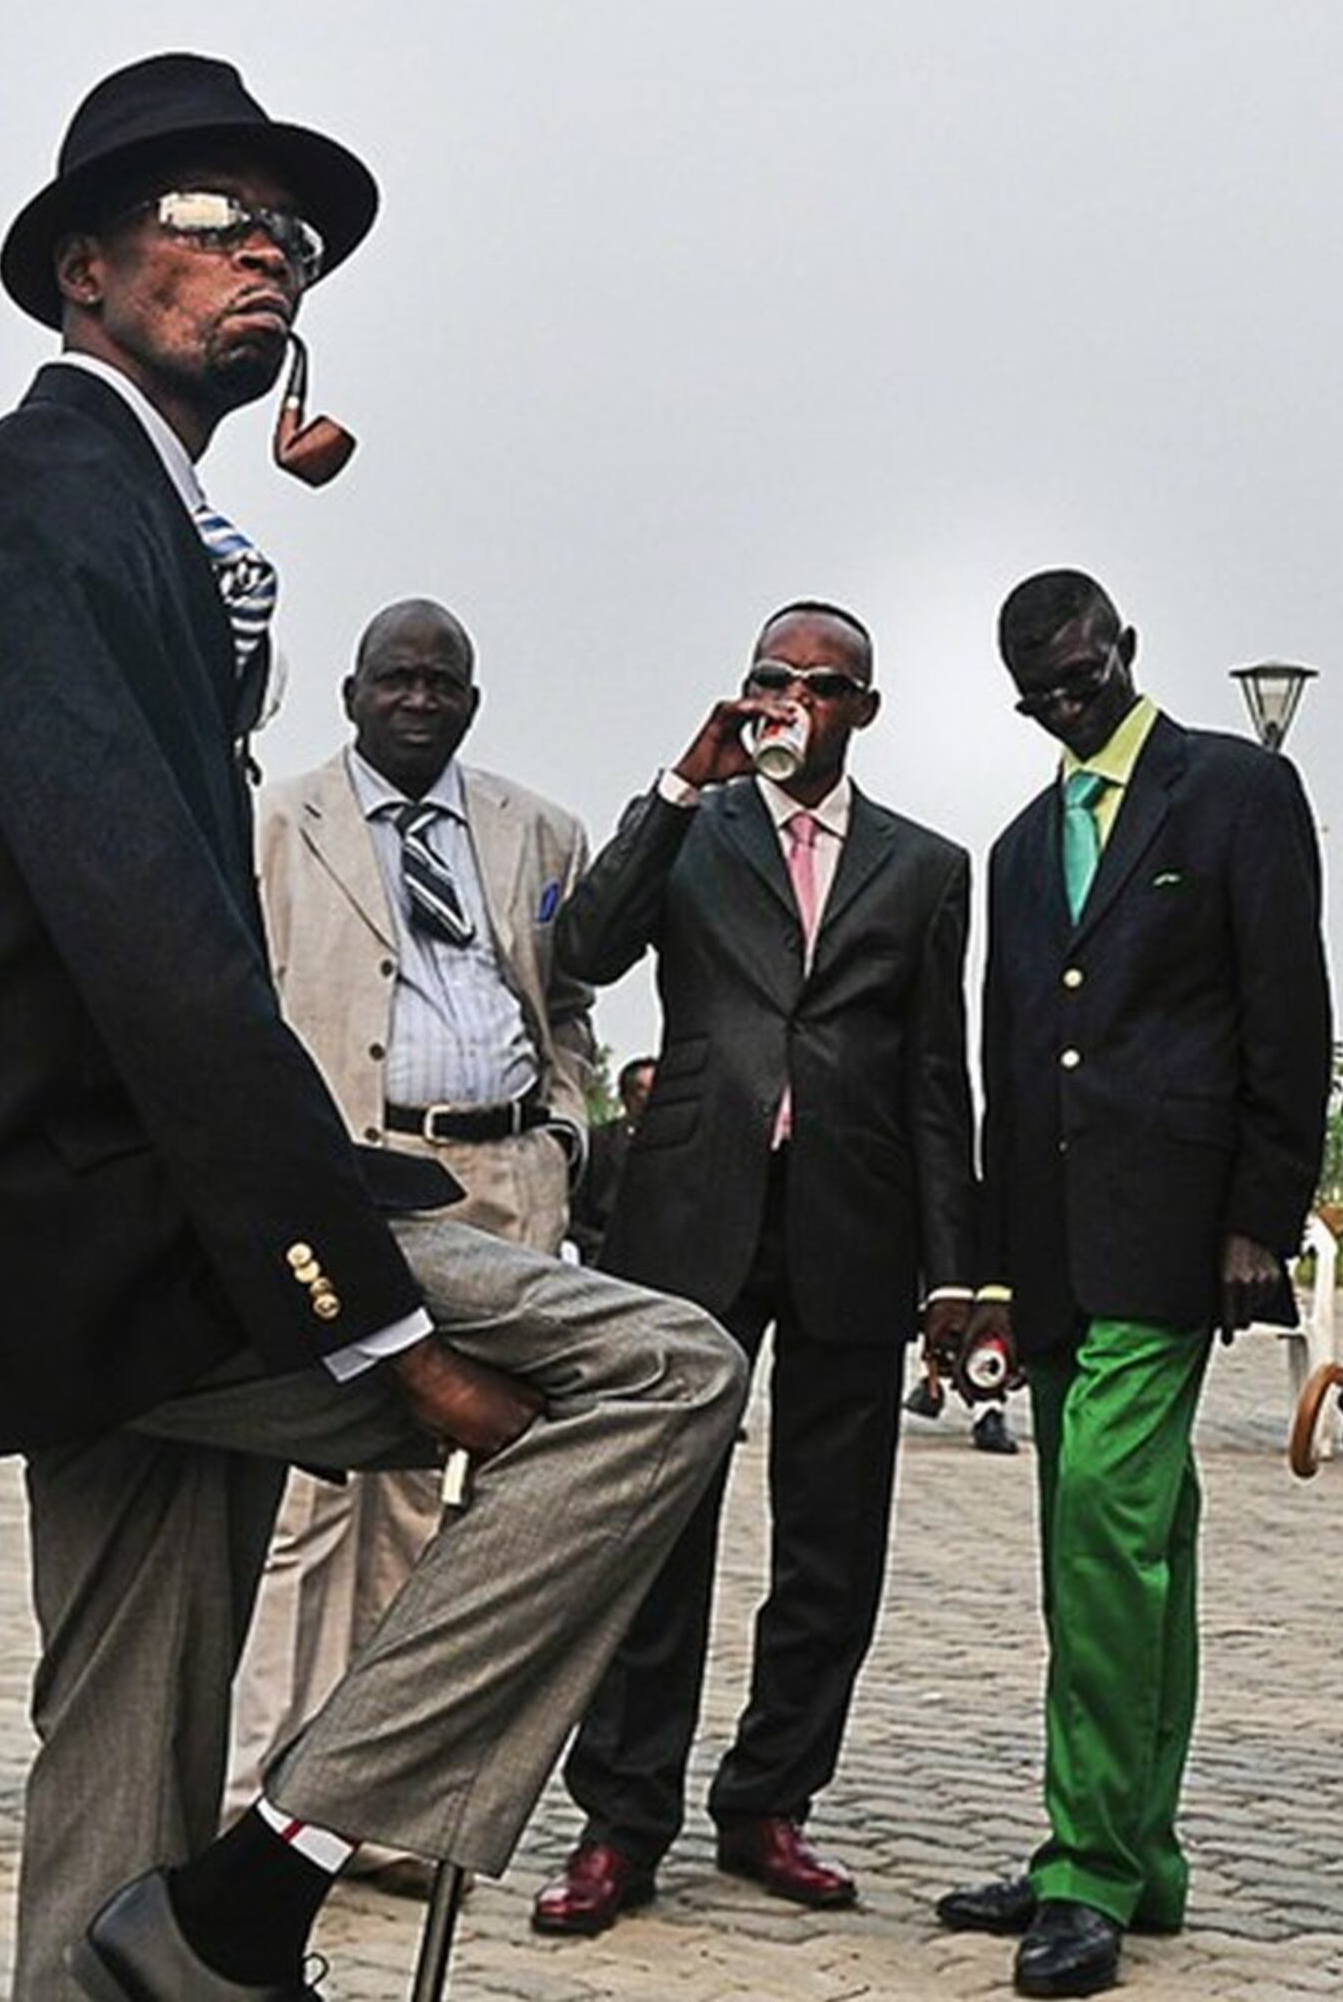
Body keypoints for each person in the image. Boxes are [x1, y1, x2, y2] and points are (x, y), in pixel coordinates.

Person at [0, 51, 744, 2002]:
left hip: (107, 1226)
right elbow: (159, 952)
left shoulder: (140, 516)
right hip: (112, 1226)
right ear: (83, 268)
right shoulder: (46, 497)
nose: (269, 250)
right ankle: (272, 1880)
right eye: (211, 218)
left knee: (119, 1769)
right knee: (663, 1372)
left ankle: (173, 1935)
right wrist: (378, 1322)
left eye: (295, 235)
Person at [534, 601, 978, 1937]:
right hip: (691, 1216)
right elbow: (585, 948)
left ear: (863, 711)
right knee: (658, 1521)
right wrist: (684, 781)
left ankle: (770, 1800)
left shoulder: (925, 866)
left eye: (818, 685)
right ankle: (622, 1821)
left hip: (854, 1223)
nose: (789, 699)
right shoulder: (697, 828)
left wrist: (955, 1272)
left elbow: (936, 1077)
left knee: (832, 1539)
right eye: (769, 678)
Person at [930, 570, 1329, 1997]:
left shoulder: (1233, 791)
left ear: (1127, 650)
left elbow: (1289, 1013)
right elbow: (1009, 1059)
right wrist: (985, 1270)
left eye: (1084, 674)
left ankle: (1086, 1867)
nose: (1067, 702)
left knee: (1107, 1523)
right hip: (1050, 1248)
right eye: (1040, 691)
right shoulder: (1019, 847)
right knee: (1108, 1547)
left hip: (1174, 1236)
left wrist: (1260, 1218)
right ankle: (1137, 1855)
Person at [219, 597, 602, 1876]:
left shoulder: (541, 830)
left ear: (472, 703)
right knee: (312, 1503)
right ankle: (251, 1803)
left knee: (443, 1516)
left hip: (504, 1177)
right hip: (350, 1187)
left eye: (443, 682)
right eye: (398, 678)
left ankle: (370, 1810)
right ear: (352, 694)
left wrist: (564, 1134)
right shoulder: (277, 827)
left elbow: (566, 1004)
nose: (420, 699)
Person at [568, 1055, 653, 1266]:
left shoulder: (685, 1143)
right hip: (606, 1255)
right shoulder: (597, 1142)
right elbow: (575, 1211)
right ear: (627, 1096)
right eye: (644, 1089)